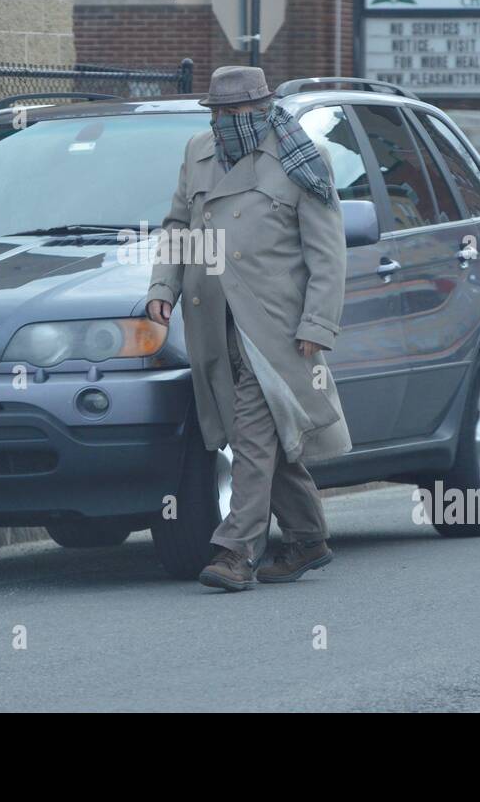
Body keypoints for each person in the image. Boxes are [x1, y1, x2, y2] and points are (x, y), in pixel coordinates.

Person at [146, 65, 351, 592]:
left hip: (275, 325)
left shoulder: (303, 158)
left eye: (235, 113)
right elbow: (177, 227)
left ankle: (236, 551)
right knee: (247, 435)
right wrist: (162, 289)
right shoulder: (198, 152)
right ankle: (307, 537)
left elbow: (327, 252)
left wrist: (318, 323)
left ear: (261, 111)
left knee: (255, 437)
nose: (224, 122)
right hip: (212, 321)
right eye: (217, 113)